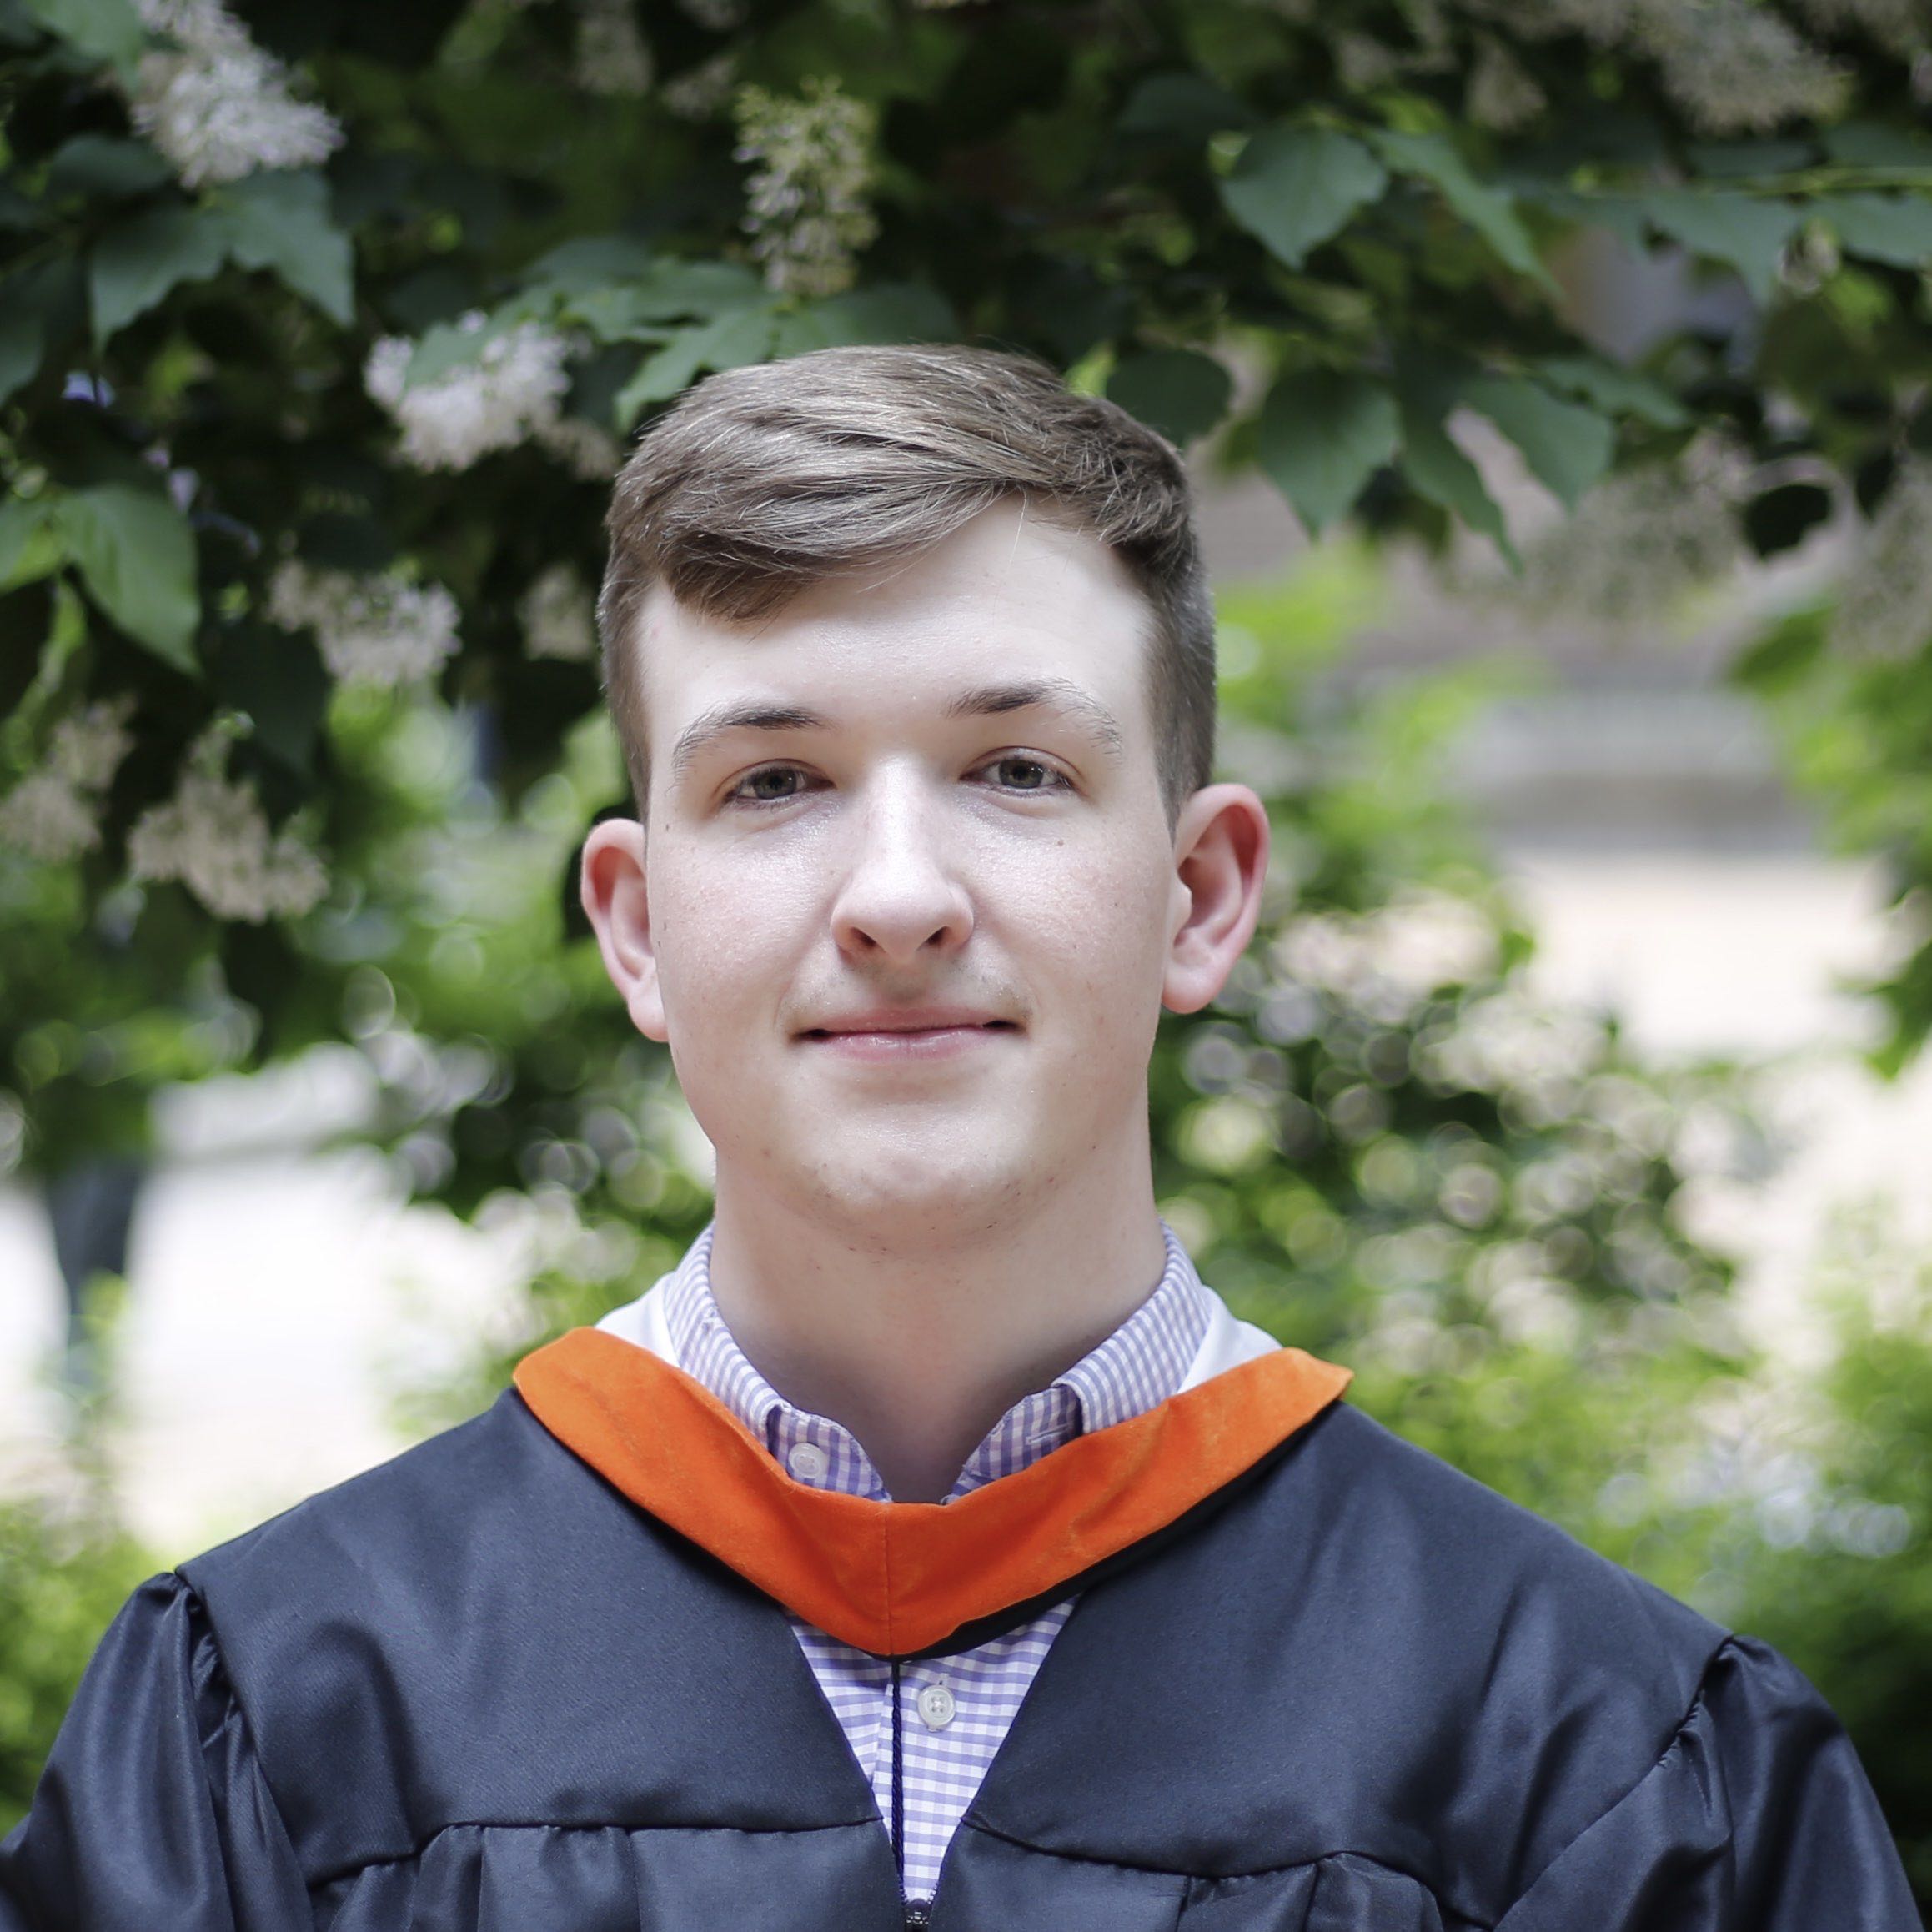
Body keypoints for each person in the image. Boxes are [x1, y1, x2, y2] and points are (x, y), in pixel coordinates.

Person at [0, 346, 1918, 1932]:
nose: (898, 894)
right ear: (637, 924)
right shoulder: (278, 1726)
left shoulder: (1602, 1765)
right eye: (774, 782)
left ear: (1199, 891)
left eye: (1017, 768)